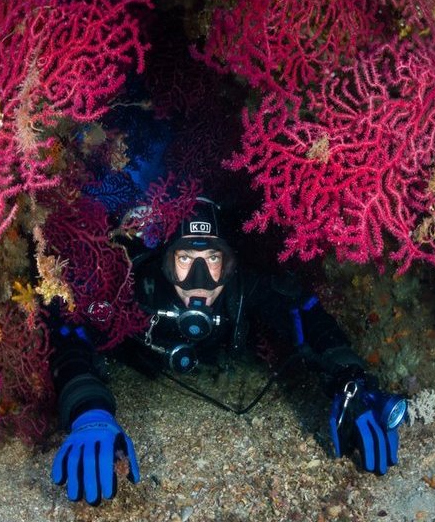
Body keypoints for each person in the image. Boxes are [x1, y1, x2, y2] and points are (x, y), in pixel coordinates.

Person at [48, 197, 406, 505]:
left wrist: (350, 378)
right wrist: (88, 409)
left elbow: (304, 309)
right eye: (185, 258)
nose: (200, 280)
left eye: (213, 259)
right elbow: (70, 328)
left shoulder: (238, 292)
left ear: (229, 264)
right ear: (165, 263)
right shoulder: (136, 289)